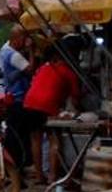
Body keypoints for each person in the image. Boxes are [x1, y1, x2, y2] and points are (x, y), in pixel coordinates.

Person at [15, 37, 81, 183]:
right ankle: (53, 176)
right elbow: (76, 98)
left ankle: (39, 176)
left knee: (35, 140)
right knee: (54, 140)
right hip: (47, 106)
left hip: (29, 103)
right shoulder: (69, 73)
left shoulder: (44, 67)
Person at [0, 27, 33, 103]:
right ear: (19, 40)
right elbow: (30, 70)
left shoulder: (6, 50)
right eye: (23, 40)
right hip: (19, 95)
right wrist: (30, 49)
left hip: (11, 93)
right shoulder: (14, 55)